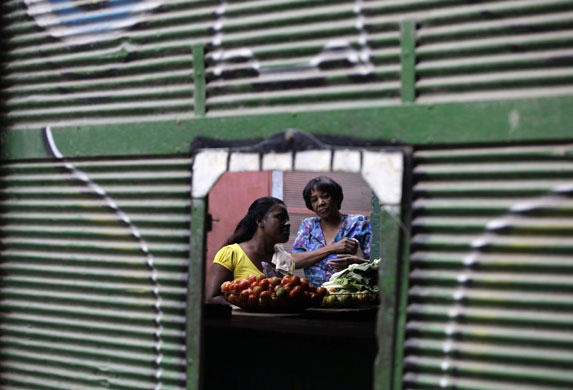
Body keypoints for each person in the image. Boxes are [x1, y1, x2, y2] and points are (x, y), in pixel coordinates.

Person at [205, 196, 291, 304]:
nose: (288, 223)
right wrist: (251, 308)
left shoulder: (285, 260)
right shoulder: (231, 253)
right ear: (260, 221)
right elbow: (211, 298)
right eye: (280, 217)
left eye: (287, 219)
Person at [291, 176, 372, 287]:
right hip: (316, 298)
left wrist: (357, 263)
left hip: (351, 296)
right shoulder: (308, 225)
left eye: (325, 196)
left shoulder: (357, 223)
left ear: (336, 198)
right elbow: (293, 261)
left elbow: (376, 264)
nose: (320, 203)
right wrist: (333, 248)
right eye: (314, 200)